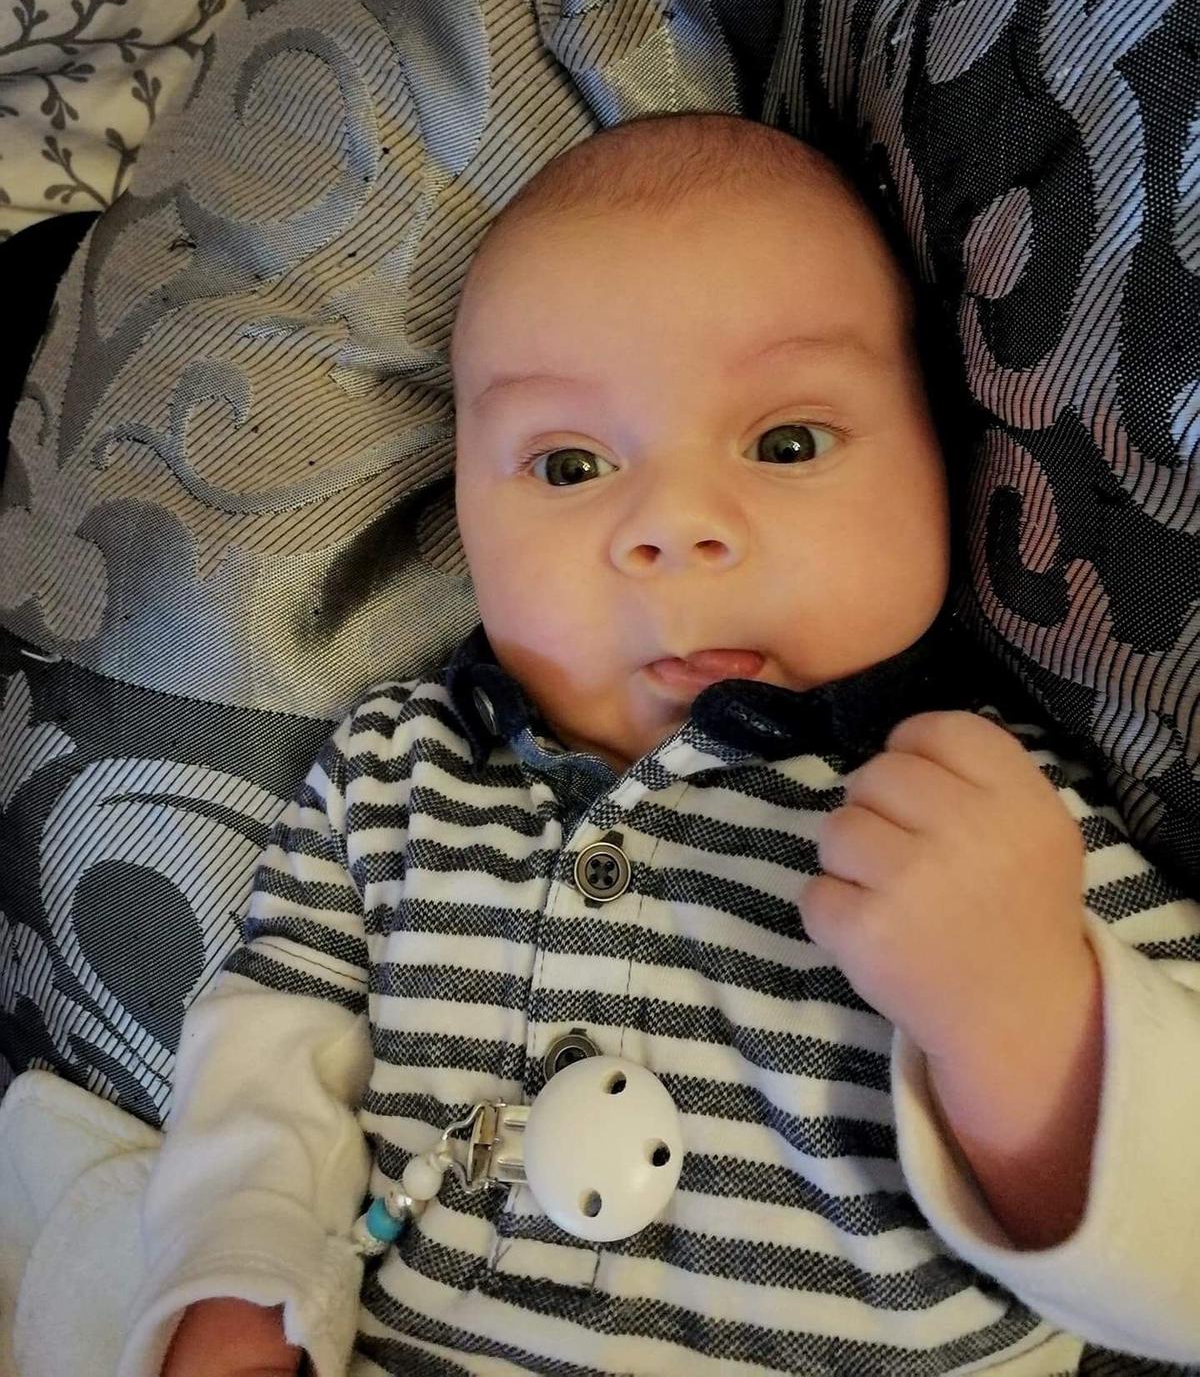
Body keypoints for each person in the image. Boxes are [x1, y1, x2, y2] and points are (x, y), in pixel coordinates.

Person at [118, 113, 1200, 1377]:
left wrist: (1027, 1020)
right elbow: (270, 1052)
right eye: (571, 463)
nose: (674, 524)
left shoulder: (987, 817)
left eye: (787, 442)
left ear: (943, 466)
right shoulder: (394, 772)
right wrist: (236, 1277)